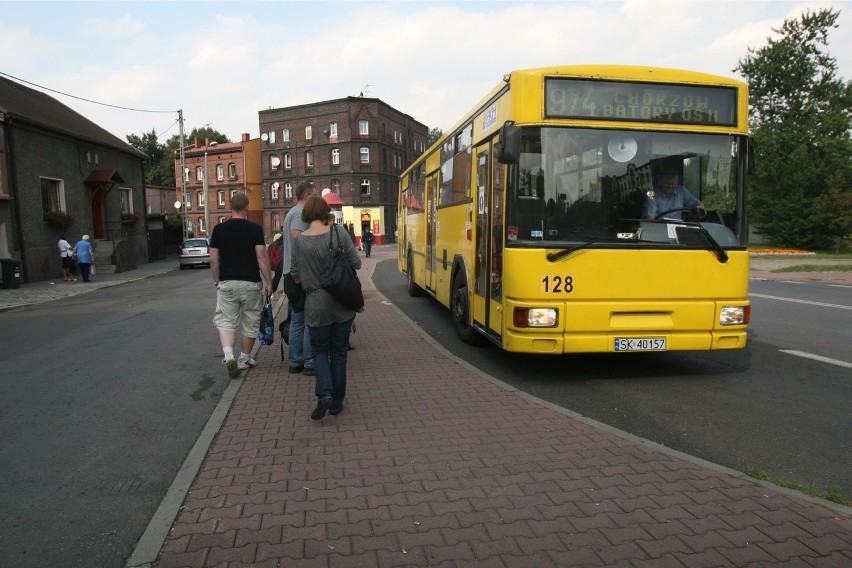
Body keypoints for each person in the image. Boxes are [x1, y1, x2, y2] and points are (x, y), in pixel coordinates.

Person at [291, 196, 362, 420]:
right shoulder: (339, 233)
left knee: (319, 351)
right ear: (325, 212)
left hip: (316, 304)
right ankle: (337, 404)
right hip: (342, 302)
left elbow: (295, 276)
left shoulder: (299, 242)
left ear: (306, 215)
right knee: (339, 354)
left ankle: (324, 395)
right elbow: (357, 263)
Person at [209, 193, 273, 379]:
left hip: (227, 282)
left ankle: (228, 355)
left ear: (230, 207)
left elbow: (213, 258)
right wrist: (269, 282)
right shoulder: (255, 229)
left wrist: (217, 281)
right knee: (251, 320)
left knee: (226, 320)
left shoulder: (219, 229)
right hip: (251, 283)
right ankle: (244, 358)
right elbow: (261, 257)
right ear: (247, 208)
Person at [281, 181, 314, 376]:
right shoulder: (301, 214)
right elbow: (296, 235)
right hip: (299, 275)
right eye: (314, 196)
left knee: (296, 318)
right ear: (308, 196)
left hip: (289, 273)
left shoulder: (291, 212)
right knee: (307, 318)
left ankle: (296, 361)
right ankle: (309, 361)